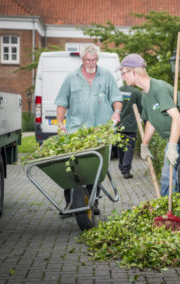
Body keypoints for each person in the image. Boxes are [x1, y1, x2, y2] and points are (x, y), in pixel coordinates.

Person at [117, 54, 180, 198]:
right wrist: (144, 144)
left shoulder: (158, 88)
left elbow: (177, 118)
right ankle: (169, 214)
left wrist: (172, 146)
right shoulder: (145, 96)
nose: (123, 77)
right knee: (167, 179)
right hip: (176, 135)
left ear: (133, 71)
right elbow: (151, 121)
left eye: (123, 73)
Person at [54, 44, 123, 215]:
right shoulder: (71, 78)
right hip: (76, 132)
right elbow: (62, 102)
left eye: (93, 60)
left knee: (95, 168)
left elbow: (116, 98)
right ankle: (71, 202)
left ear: (97, 60)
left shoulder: (106, 76)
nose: (91, 63)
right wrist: (60, 123)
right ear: (82, 60)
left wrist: (117, 111)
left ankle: (93, 201)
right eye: (87, 60)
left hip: (100, 132)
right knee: (73, 167)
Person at [116, 85, 142, 179]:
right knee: (129, 147)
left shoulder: (118, 90)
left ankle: (121, 166)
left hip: (118, 125)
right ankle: (126, 170)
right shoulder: (136, 92)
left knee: (121, 147)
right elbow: (141, 108)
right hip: (130, 125)